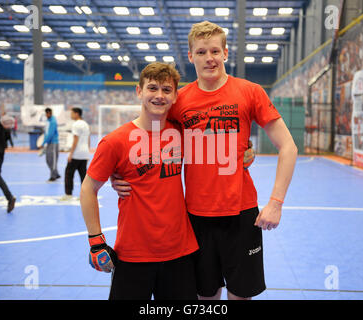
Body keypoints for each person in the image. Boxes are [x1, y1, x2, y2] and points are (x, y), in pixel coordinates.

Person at [111, 21, 298, 300]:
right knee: (205, 295)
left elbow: (288, 147)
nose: (208, 58)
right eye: (201, 52)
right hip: (195, 218)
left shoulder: (250, 92)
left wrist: (276, 203)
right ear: (190, 56)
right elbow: (150, 138)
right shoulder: (179, 101)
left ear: (225, 52)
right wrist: (120, 173)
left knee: (240, 295)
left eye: (214, 51)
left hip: (241, 213)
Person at [80, 62, 199, 300]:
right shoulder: (115, 142)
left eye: (166, 90)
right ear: (139, 91)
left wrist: (246, 150)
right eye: (152, 88)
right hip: (133, 254)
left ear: (175, 95)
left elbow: (220, 139)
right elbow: (88, 189)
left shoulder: (183, 132)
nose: (159, 95)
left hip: (179, 253)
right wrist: (96, 241)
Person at [60, 107, 90, 201]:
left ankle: (68, 194)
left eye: (72, 113)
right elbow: (88, 139)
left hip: (76, 154)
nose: (71, 115)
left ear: (77, 114)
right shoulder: (85, 124)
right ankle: (85, 195)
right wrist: (87, 152)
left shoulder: (76, 124)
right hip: (84, 153)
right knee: (83, 175)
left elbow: (75, 140)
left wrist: (71, 154)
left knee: (69, 174)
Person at [40, 108, 60, 182]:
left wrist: (43, 143)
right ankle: (56, 174)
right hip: (49, 143)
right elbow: (46, 133)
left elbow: (51, 134)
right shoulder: (47, 121)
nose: (47, 115)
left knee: (53, 161)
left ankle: (53, 176)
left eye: (48, 113)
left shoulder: (53, 121)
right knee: (48, 160)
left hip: (54, 143)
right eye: (46, 113)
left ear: (50, 113)